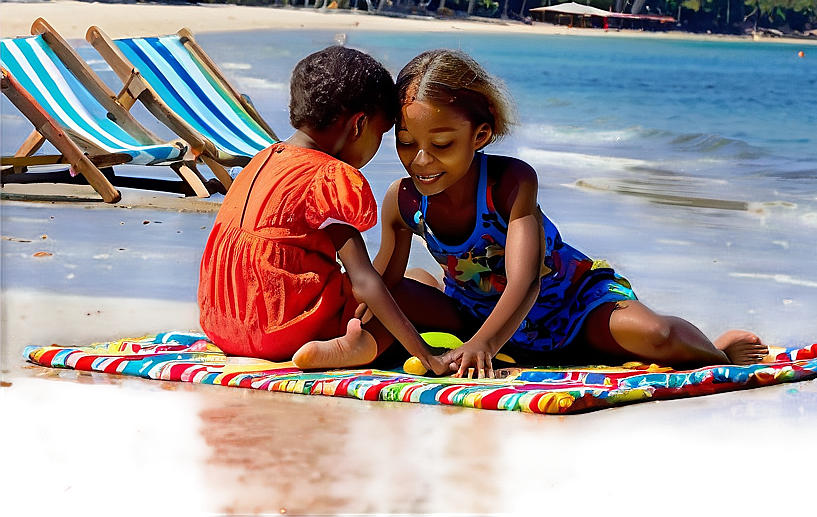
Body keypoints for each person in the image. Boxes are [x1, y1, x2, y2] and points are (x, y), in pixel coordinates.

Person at [372, 48, 769, 379]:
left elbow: (525, 283)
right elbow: (376, 286)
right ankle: (436, 292)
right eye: (406, 143)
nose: (421, 161)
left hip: (571, 306)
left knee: (659, 336)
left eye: (441, 143)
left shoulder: (510, 182)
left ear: (481, 135)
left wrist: (482, 346)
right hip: (474, 312)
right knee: (389, 292)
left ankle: (719, 352)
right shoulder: (404, 201)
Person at [197, 45, 447, 374]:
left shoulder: (262, 160)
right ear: (358, 125)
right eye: (381, 133)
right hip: (284, 329)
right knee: (410, 289)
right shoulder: (329, 178)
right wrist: (427, 355)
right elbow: (365, 282)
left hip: (223, 321)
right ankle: (360, 345)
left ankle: (348, 340)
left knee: (419, 280)